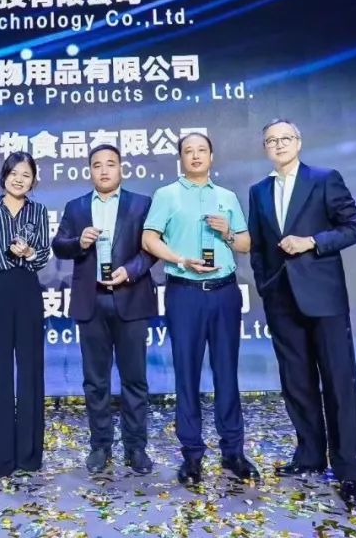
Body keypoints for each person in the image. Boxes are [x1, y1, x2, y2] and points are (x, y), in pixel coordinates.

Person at [247, 119, 356, 506]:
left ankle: (350, 471)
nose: (279, 145)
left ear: (298, 142)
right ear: (265, 148)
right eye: (271, 141)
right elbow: (258, 247)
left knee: (337, 382)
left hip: (324, 298)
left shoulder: (324, 178)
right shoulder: (259, 191)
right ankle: (310, 456)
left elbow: (355, 228)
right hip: (281, 299)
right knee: (296, 382)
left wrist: (312, 241)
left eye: (285, 138)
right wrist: (265, 285)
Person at [141, 132, 257, 485]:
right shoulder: (166, 195)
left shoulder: (227, 197)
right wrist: (180, 259)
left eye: (201, 150)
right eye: (188, 151)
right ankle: (192, 455)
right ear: (180, 158)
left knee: (227, 372)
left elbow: (245, 244)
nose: (195, 156)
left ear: (211, 156)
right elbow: (149, 238)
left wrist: (227, 233)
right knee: (186, 374)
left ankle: (233, 451)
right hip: (185, 293)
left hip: (224, 292)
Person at [51, 144, 157, 475]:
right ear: (90, 171)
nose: (104, 170)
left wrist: (132, 270)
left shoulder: (141, 203)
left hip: (131, 297)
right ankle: (100, 446)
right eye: (97, 165)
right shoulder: (77, 207)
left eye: (111, 164)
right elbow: (59, 246)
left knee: (134, 379)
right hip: (92, 300)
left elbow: (152, 250)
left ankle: (136, 447)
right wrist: (78, 242)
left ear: (121, 168)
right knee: (95, 382)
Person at [0, 151, 52, 479]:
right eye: (14, 173)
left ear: (33, 181)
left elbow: (43, 255)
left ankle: (29, 455)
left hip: (27, 287)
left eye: (26, 175)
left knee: (30, 368)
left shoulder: (39, 211)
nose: (19, 179)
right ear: (4, 175)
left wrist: (29, 252)